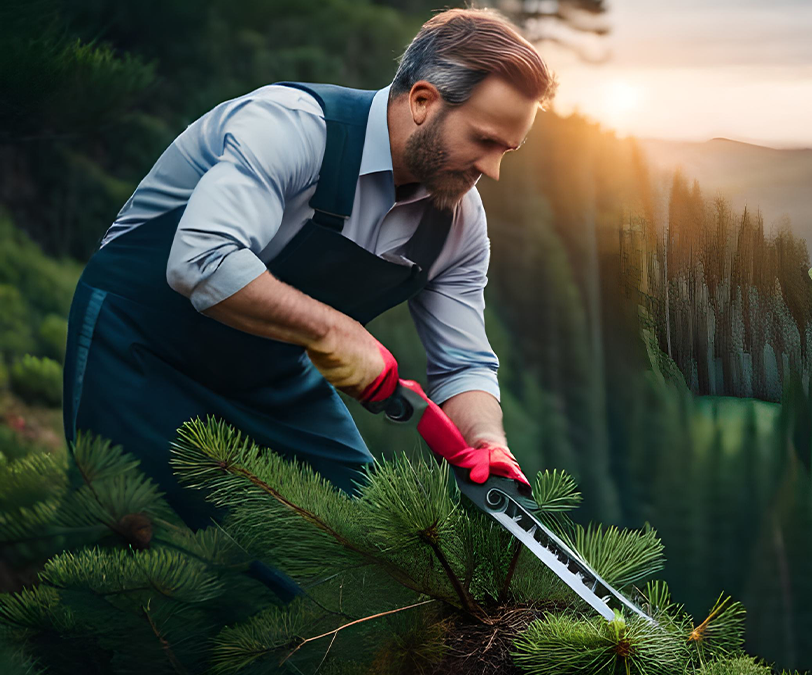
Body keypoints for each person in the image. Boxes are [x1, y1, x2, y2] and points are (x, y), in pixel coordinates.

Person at [61, 8, 556, 583]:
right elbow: (200, 260)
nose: (493, 170)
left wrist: (487, 442)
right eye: (484, 140)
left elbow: (464, 362)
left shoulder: (459, 225)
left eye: (507, 151)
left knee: (383, 561)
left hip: (271, 377)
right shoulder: (290, 126)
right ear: (423, 101)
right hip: (138, 349)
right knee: (135, 570)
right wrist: (334, 330)